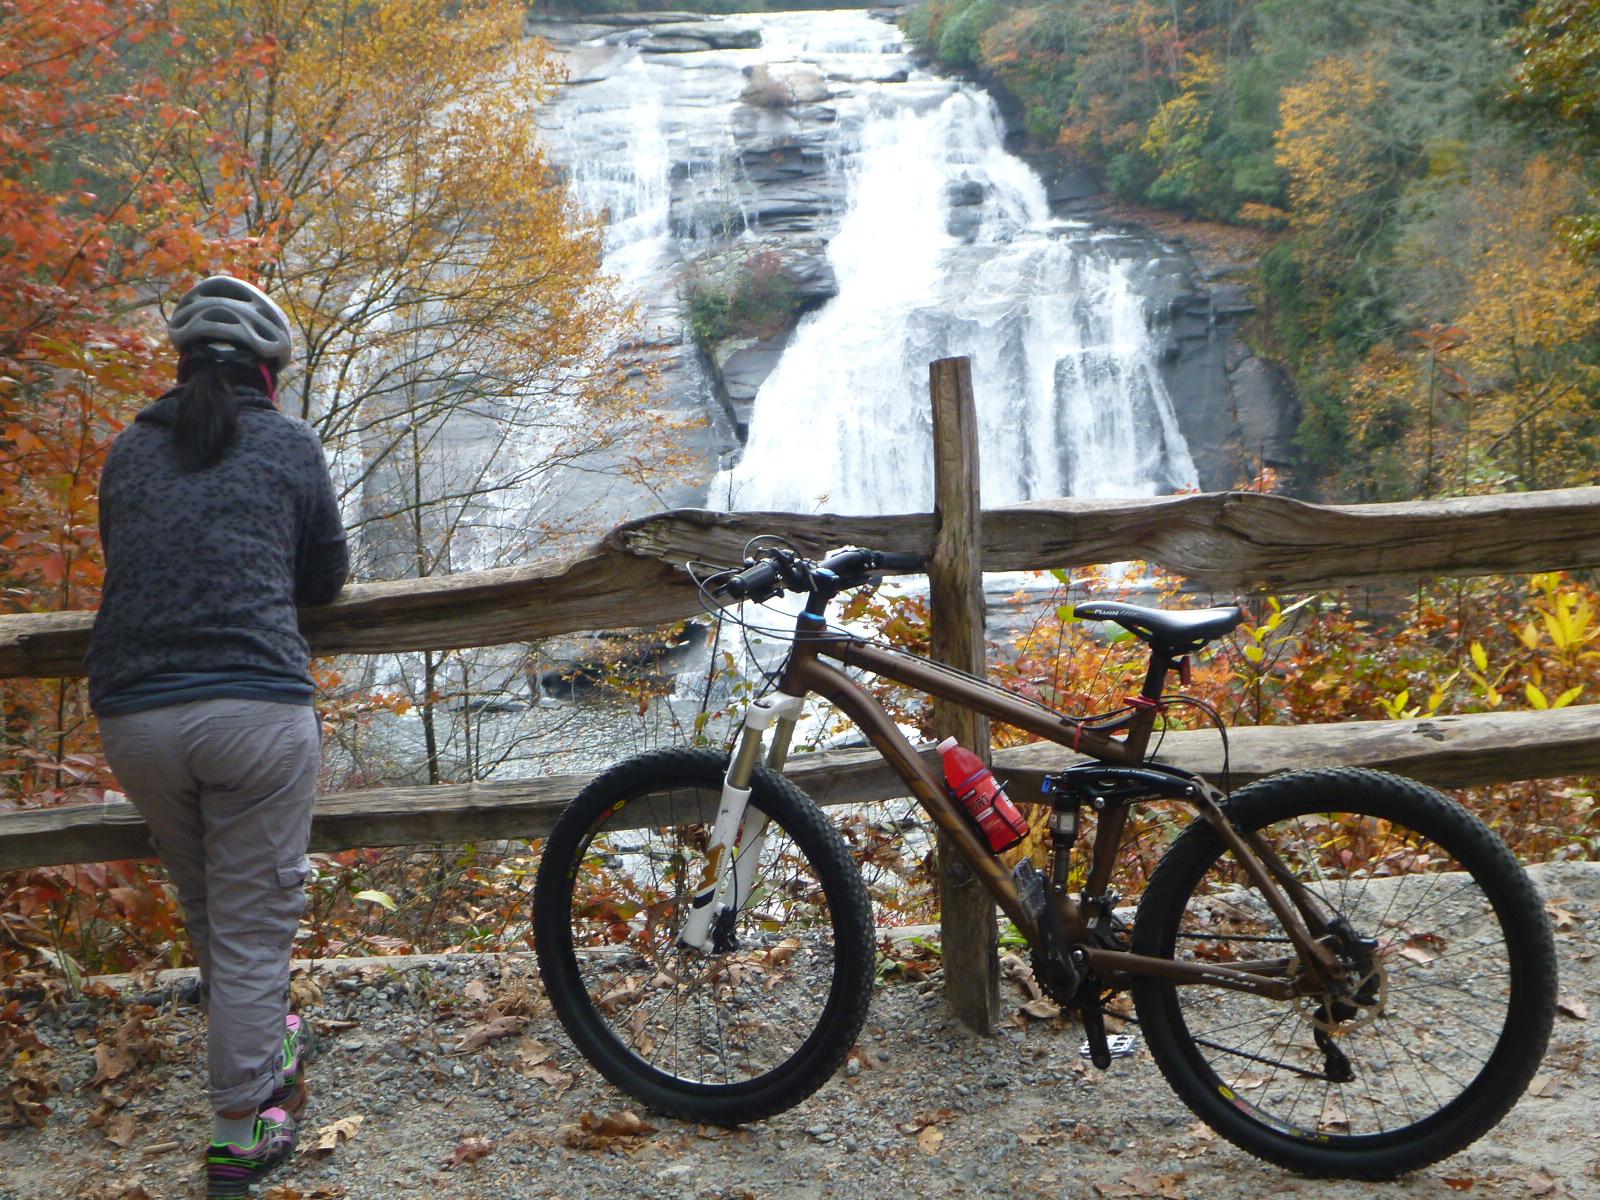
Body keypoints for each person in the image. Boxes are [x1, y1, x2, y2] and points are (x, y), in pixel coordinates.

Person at [86, 274, 348, 1199]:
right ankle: (238, 1135)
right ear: (270, 374)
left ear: (182, 366)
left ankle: (259, 1042)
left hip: (136, 715)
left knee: (212, 907)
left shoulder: (129, 450)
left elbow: (136, 564)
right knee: (252, 929)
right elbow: (324, 580)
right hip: (253, 711)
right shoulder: (286, 443)